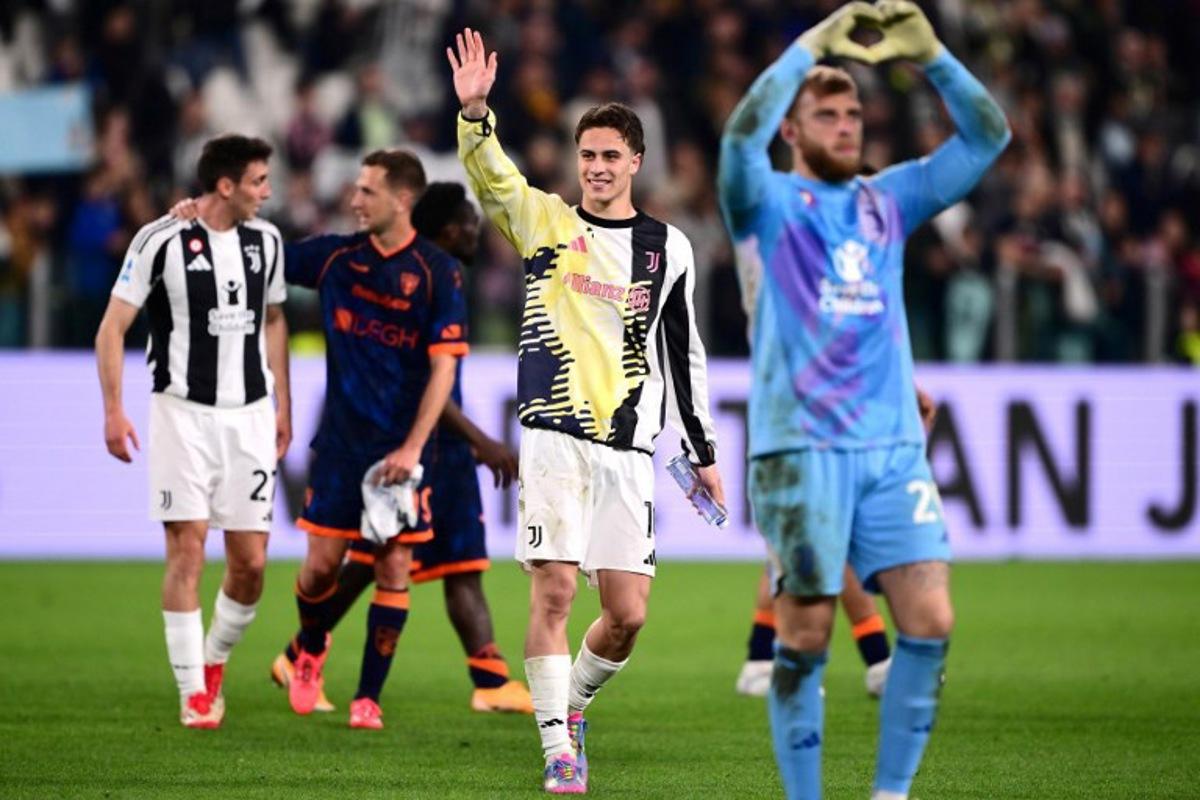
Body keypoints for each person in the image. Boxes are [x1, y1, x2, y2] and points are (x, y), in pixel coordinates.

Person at [716, 3, 1010, 799]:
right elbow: (738, 136)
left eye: (853, 113)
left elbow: (989, 139)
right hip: (799, 448)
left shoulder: (890, 201)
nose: (847, 126)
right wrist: (809, 46)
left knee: (932, 622)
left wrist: (933, 56)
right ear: (792, 128)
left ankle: (891, 794)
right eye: (827, 114)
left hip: (891, 449)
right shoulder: (765, 202)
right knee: (806, 633)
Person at [449, 28, 728, 794]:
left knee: (628, 614)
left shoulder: (666, 249)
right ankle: (556, 749)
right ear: (577, 162)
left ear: (636, 162)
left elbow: (684, 352)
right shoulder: (547, 224)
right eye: (588, 156)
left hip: (629, 448)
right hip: (551, 436)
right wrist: (477, 114)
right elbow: (494, 180)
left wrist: (701, 450)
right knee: (555, 591)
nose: (598, 168)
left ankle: (568, 706)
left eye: (612, 156)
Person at [269, 182, 532, 715]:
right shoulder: (428, 275)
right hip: (412, 449)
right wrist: (482, 441)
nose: (473, 229)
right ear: (435, 230)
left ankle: (489, 677)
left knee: (457, 561)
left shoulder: (444, 277)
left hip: (442, 449)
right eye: (463, 221)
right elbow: (422, 383)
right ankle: (302, 650)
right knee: (371, 560)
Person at [94, 134, 290, 729]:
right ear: (225, 185)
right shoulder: (160, 239)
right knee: (186, 548)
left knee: (251, 562)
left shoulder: (268, 241)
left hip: (250, 415)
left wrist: (284, 403)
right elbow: (112, 328)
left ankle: (213, 660)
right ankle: (193, 694)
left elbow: (275, 318)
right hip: (181, 413)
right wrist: (113, 409)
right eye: (258, 180)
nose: (267, 191)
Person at [282, 150, 468, 730]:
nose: (355, 199)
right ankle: (311, 646)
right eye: (356, 189)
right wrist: (201, 216)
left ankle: (368, 699)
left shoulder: (439, 272)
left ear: (401, 199)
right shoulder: (335, 256)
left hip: (403, 451)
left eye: (367, 191)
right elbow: (260, 257)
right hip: (340, 445)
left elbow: (444, 370)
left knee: (394, 566)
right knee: (319, 571)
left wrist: (413, 447)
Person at [735, 387, 939, 699]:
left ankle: (761, 659)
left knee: (808, 546)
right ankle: (876, 662)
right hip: (807, 427)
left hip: (836, 425)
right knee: (817, 545)